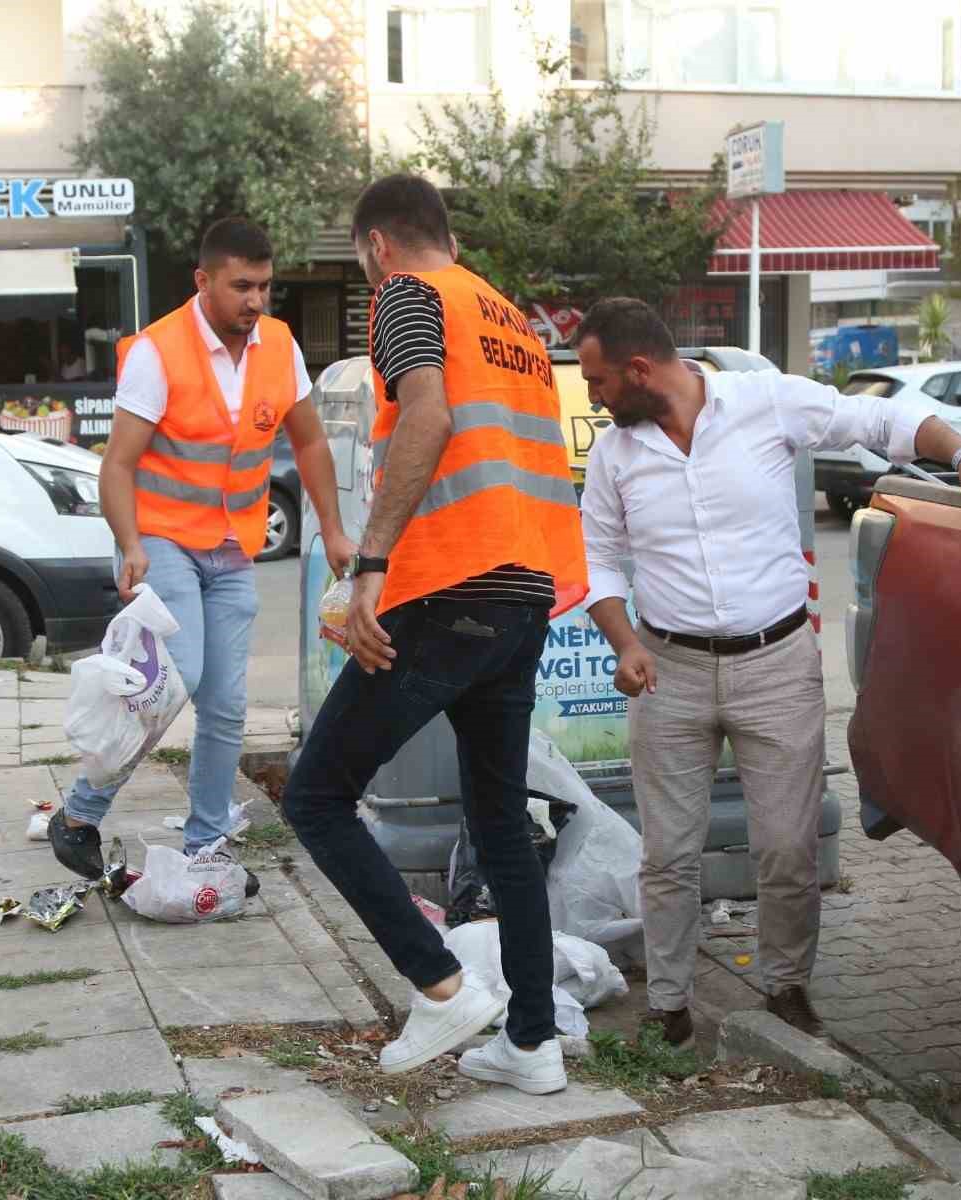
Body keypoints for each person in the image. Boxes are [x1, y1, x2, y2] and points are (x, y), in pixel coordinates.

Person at [574, 297, 961, 1046]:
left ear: (638, 369)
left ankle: (786, 986)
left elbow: (880, 424)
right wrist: (623, 641)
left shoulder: (767, 403)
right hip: (669, 670)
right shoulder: (614, 453)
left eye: (598, 382)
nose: (593, 396)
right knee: (668, 854)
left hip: (776, 664)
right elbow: (596, 556)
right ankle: (668, 1004)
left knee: (786, 846)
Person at [283, 175, 588, 1095]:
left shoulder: (408, 298)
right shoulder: (513, 322)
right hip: (523, 591)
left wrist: (370, 563)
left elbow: (428, 413)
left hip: (449, 588)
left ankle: (441, 984)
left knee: (318, 796)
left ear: (377, 247)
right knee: (498, 821)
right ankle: (532, 1045)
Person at [48, 217, 356, 888]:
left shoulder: (278, 346)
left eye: (265, 287)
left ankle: (206, 843)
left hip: (230, 547)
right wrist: (129, 544)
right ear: (204, 281)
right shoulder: (160, 352)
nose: (256, 300)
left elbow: (307, 442)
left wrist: (331, 527)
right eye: (241, 286)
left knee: (226, 704)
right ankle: (79, 812)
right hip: (160, 538)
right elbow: (117, 465)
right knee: (171, 680)